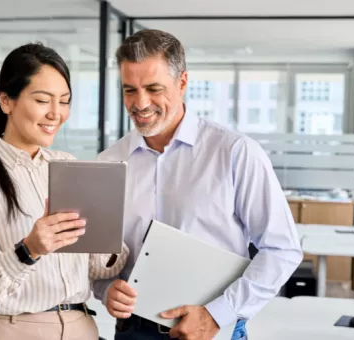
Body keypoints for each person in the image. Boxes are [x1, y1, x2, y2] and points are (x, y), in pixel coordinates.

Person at [92, 29, 303, 340]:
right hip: (134, 331)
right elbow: (97, 259)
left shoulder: (234, 152)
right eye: (129, 90)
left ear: (182, 82)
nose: (140, 103)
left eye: (153, 88)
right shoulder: (108, 163)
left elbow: (282, 249)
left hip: (212, 330)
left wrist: (218, 314)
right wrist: (106, 288)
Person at [0, 43, 129, 340]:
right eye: (43, 100)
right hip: (11, 330)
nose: (56, 114)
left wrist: (108, 227)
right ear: (6, 100)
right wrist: (29, 249)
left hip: (81, 328)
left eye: (65, 101)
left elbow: (98, 268)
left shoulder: (67, 166)